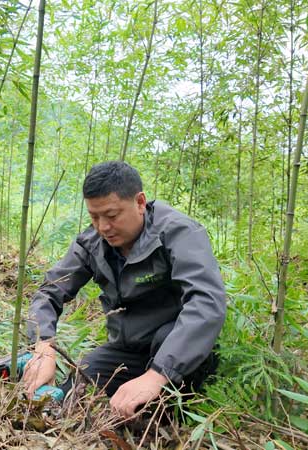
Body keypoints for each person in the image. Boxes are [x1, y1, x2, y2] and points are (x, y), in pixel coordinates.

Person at [22, 161, 226, 418]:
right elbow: (49, 292)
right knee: (76, 389)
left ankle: (166, 407)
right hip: (127, 350)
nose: (102, 227)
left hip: (178, 351)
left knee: (148, 412)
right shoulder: (92, 243)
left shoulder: (178, 232)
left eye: (111, 215)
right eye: (94, 217)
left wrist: (156, 376)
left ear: (140, 202)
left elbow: (207, 302)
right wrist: (43, 345)